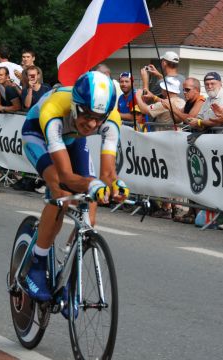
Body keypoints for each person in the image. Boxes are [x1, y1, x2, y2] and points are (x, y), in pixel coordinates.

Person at [20, 71, 129, 303]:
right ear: (75, 105)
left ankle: (70, 271)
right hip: (37, 134)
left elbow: (108, 173)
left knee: (90, 209)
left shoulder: (112, 119)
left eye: (98, 118)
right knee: (61, 191)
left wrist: (117, 186)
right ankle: (36, 265)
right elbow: (66, 175)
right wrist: (93, 184)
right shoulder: (54, 108)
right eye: (86, 115)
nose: (91, 123)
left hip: (72, 138)